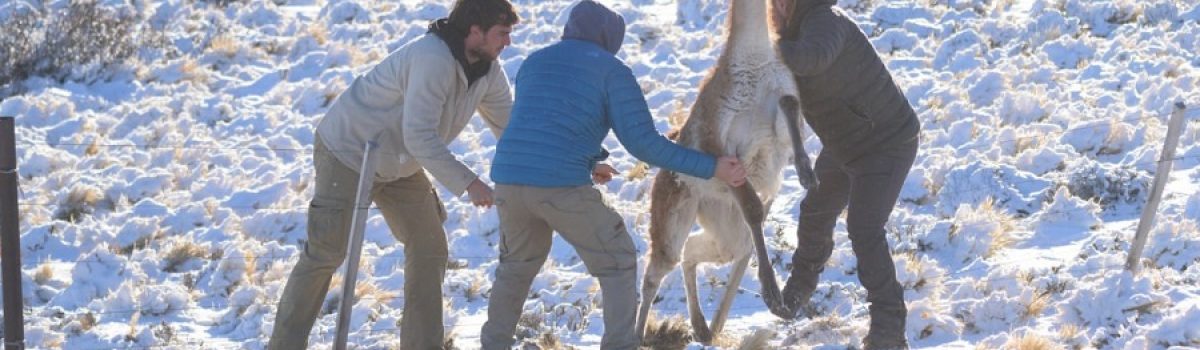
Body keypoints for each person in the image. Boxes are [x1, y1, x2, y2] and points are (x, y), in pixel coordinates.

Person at [478, 1, 748, 348]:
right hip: (560, 186)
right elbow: (645, 144)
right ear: (608, 39)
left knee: (515, 269)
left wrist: (590, 162)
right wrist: (712, 167)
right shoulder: (611, 70)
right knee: (618, 260)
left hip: (509, 180)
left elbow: (546, 124)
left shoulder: (535, 62)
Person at [267, 1, 519, 348]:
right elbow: (419, 135)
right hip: (349, 150)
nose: (508, 43)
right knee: (326, 252)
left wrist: (576, 163)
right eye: (502, 34)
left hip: (400, 161)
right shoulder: (433, 58)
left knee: (429, 247)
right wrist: (469, 182)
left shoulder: (488, 71)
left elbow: (515, 129)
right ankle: (284, 345)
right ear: (475, 30)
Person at [771, 0, 921, 349]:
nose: (775, 6)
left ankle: (889, 330)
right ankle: (797, 292)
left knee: (864, 228)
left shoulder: (826, 21)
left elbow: (812, 59)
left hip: (887, 142)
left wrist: (765, 49)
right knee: (815, 212)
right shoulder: (791, 33)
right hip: (846, 144)